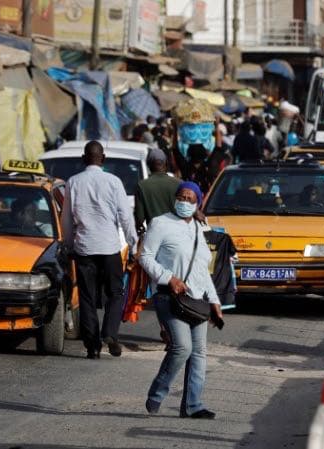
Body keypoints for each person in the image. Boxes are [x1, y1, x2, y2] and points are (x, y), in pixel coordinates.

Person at [139, 182, 223, 419]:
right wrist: (169, 277)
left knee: (199, 353)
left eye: (190, 198)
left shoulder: (199, 227)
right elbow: (144, 257)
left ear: (198, 202)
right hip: (170, 296)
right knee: (182, 347)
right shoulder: (160, 223)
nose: (184, 202)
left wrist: (214, 300)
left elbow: (202, 268)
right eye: (181, 197)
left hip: (196, 300)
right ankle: (157, 391)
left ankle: (193, 405)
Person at [61, 141, 138, 359]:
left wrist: (67, 246)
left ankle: (92, 347)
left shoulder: (73, 182)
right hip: (109, 247)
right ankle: (110, 333)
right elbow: (125, 216)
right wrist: (133, 244)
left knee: (86, 297)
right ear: (102, 159)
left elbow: (66, 219)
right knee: (115, 292)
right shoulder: (114, 181)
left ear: (84, 158)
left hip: (84, 248)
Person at [134, 148, 181, 231]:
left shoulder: (142, 186)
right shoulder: (179, 183)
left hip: (154, 234)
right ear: (166, 163)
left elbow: (139, 218)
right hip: (176, 232)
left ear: (148, 164)